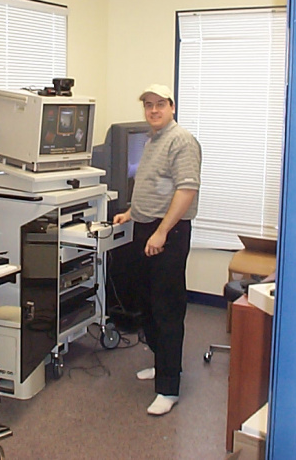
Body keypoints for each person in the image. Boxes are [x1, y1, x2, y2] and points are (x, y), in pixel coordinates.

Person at [113, 84, 201, 416]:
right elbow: (151, 186)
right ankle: (162, 363)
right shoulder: (153, 140)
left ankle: (169, 387)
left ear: (172, 106)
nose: (153, 110)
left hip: (169, 232)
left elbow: (186, 190)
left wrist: (162, 232)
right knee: (147, 303)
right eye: (148, 105)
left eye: (159, 104)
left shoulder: (182, 141)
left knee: (167, 307)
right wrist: (131, 214)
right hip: (147, 226)